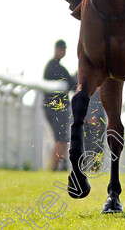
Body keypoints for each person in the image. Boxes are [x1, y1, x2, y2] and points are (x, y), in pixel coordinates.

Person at [42, 39, 77, 171]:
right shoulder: (56, 67)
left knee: (61, 138)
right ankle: (55, 167)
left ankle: (60, 166)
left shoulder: (53, 66)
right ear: (58, 49)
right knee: (61, 138)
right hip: (57, 108)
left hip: (52, 107)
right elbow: (72, 84)